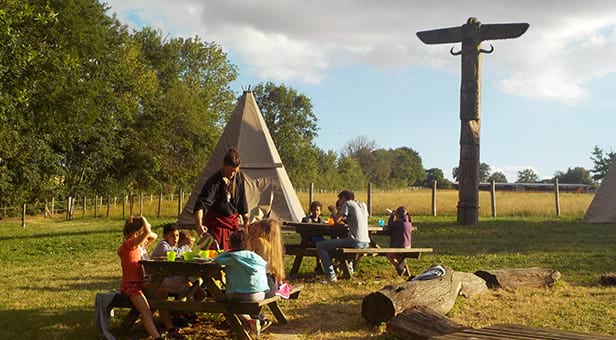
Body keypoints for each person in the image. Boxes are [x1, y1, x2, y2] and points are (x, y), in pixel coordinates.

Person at [117, 216, 178, 339]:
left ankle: (170, 328)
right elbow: (149, 233)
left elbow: (153, 236)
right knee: (146, 311)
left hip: (141, 282)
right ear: (136, 233)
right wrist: (144, 221)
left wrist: (145, 226)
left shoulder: (137, 245)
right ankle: (157, 337)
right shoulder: (129, 244)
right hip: (132, 286)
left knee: (162, 294)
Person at [214, 230, 270, 334]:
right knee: (241, 299)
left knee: (227, 301)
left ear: (231, 244)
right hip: (260, 294)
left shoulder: (233, 258)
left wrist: (228, 251)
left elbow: (217, 259)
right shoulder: (256, 257)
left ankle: (247, 321)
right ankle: (250, 323)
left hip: (238, 294)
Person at [194, 147, 249, 251]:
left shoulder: (239, 177)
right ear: (223, 166)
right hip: (217, 226)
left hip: (232, 225)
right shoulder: (214, 181)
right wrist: (199, 225)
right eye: (229, 171)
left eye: (234, 171)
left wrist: (246, 219)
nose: (232, 174)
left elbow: (242, 201)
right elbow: (201, 204)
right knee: (217, 253)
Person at [317, 190, 371, 283]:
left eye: (339, 199)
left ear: (344, 198)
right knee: (342, 244)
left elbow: (337, 220)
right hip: (366, 242)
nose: (339, 201)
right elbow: (359, 219)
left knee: (321, 245)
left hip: (355, 241)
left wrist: (333, 211)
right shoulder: (362, 204)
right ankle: (348, 270)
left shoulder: (348, 204)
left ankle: (331, 276)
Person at [248, 218, 286, 297]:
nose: (255, 229)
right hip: (272, 284)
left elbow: (243, 252)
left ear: (263, 230)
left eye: (257, 227)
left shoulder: (259, 241)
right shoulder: (275, 247)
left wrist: (249, 234)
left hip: (262, 284)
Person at [385, 206, 414, 276]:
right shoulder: (409, 222)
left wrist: (391, 216)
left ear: (397, 215)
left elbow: (389, 228)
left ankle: (399, 268)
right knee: (400, 256)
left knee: (389, 255)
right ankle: (402, 264)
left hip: (400, 246)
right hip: (408, 246)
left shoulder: (398, 222)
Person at [301, 201, 325, 273]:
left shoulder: (321, 220)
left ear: (320, 211)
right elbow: (302, 231)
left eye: (317, 210)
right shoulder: (306, 220)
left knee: (324, 244)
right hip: (309, 240)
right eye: (314, 210)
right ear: (311, 210)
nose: (316, 212)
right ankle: (319, 265)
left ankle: (320, 265)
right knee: (321, 244)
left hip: (319, 239)